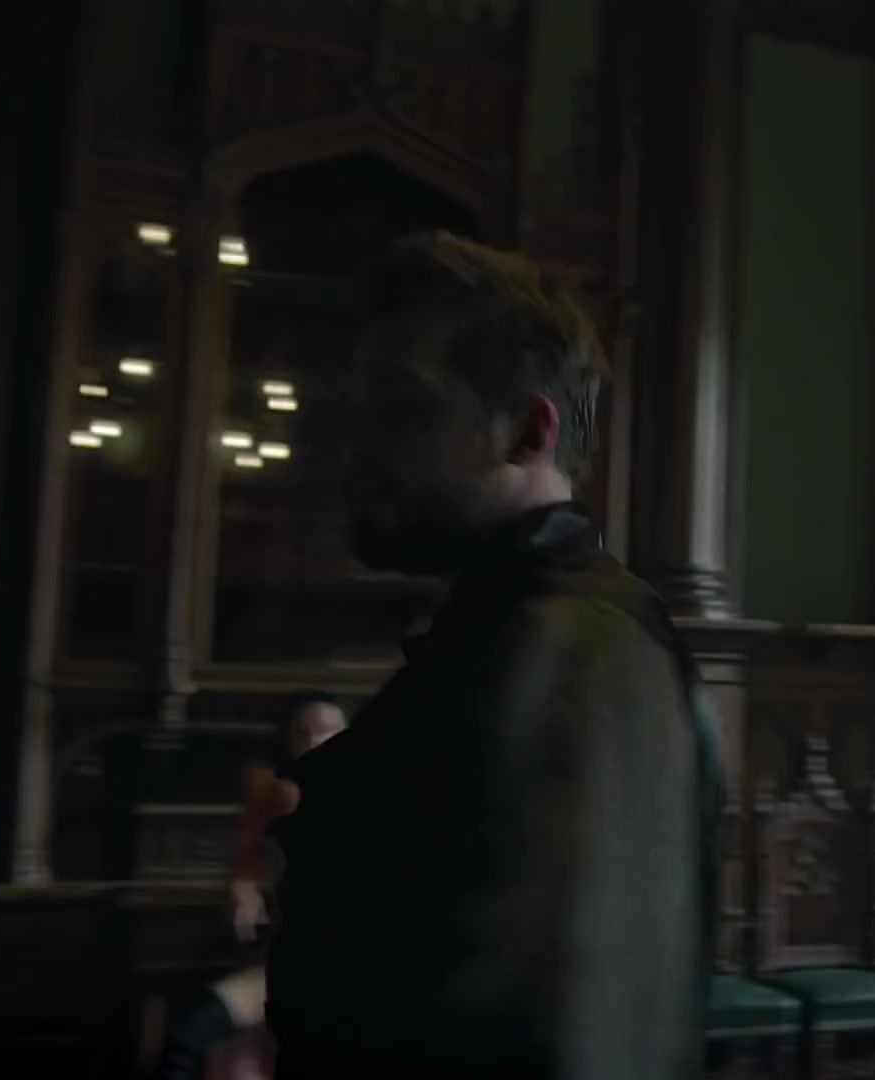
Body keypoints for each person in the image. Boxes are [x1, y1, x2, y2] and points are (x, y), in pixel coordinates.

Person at [267, 232, 723, 1079]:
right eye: (359, 411)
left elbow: (565, 1037)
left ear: (527, 431)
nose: (358, 449)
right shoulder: (508, 627)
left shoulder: (577, 650)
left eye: (403, 409)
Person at [154, 692, 349, 1080]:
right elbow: (248, 859)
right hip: (287, 965)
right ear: (288, 740)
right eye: (304, 733)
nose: (315, 741)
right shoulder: (273, 795)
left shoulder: (368, 799)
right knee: (188, 1035)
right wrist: (244, 886)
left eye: (328, 731)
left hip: (342, 970)